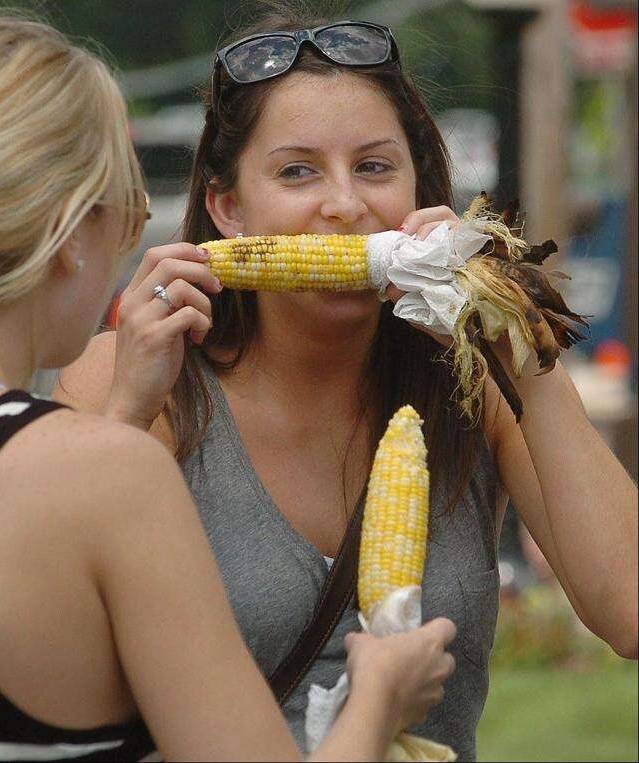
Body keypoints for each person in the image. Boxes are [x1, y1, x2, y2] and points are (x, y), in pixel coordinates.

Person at [0, 9, 460, 763]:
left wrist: (125, 409)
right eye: (129, 214)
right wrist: (380, 697)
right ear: (72, 235)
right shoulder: (110, 473)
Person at [56, 2, 639, 759]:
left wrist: (522, 351)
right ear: (227, 207)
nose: (346, 206)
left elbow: (628, 613)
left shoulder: (477, 384)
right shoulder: (135, 379)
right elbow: (50, 650)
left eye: (374, 167)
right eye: (297, 171)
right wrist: (128, 412)